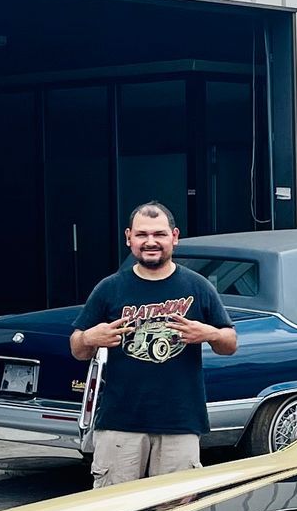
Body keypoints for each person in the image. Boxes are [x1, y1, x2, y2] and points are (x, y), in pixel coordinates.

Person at [71, 201, 237, 487]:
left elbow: (230, 343)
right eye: (142, 235)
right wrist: (89, 338)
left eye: (159, 234)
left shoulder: (197, 287)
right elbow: (77, 348)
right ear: (128, 238)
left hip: (180, 422)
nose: (150, 242)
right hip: (119, 423)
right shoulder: (109, 288)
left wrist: (209, 334)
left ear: (174, 236)